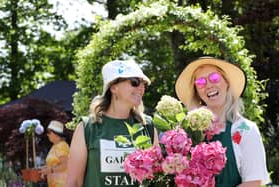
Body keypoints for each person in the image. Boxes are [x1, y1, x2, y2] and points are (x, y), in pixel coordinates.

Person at [175, 57, 269, 187]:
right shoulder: (187, 132)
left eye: (214, 78)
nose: (208, 85)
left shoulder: (245, 130)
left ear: (226, 82)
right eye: (201, 82)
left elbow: (253, 183)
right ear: (196, 92)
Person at [66, 59, 158, 187]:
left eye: (143, 84)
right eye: (135, 82)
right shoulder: (87, 127)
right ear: (114, 87)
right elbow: (74, 182)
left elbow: (157, 175)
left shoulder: (147, 126)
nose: (141, 88)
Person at [40, 120, 69, 187]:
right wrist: (46, 169)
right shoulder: (55, 146)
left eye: (49, 132)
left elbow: (65, 165)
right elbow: (55, 163)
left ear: (56, 134)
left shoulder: (62, 145)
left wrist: (50, 170)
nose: (47, 134)